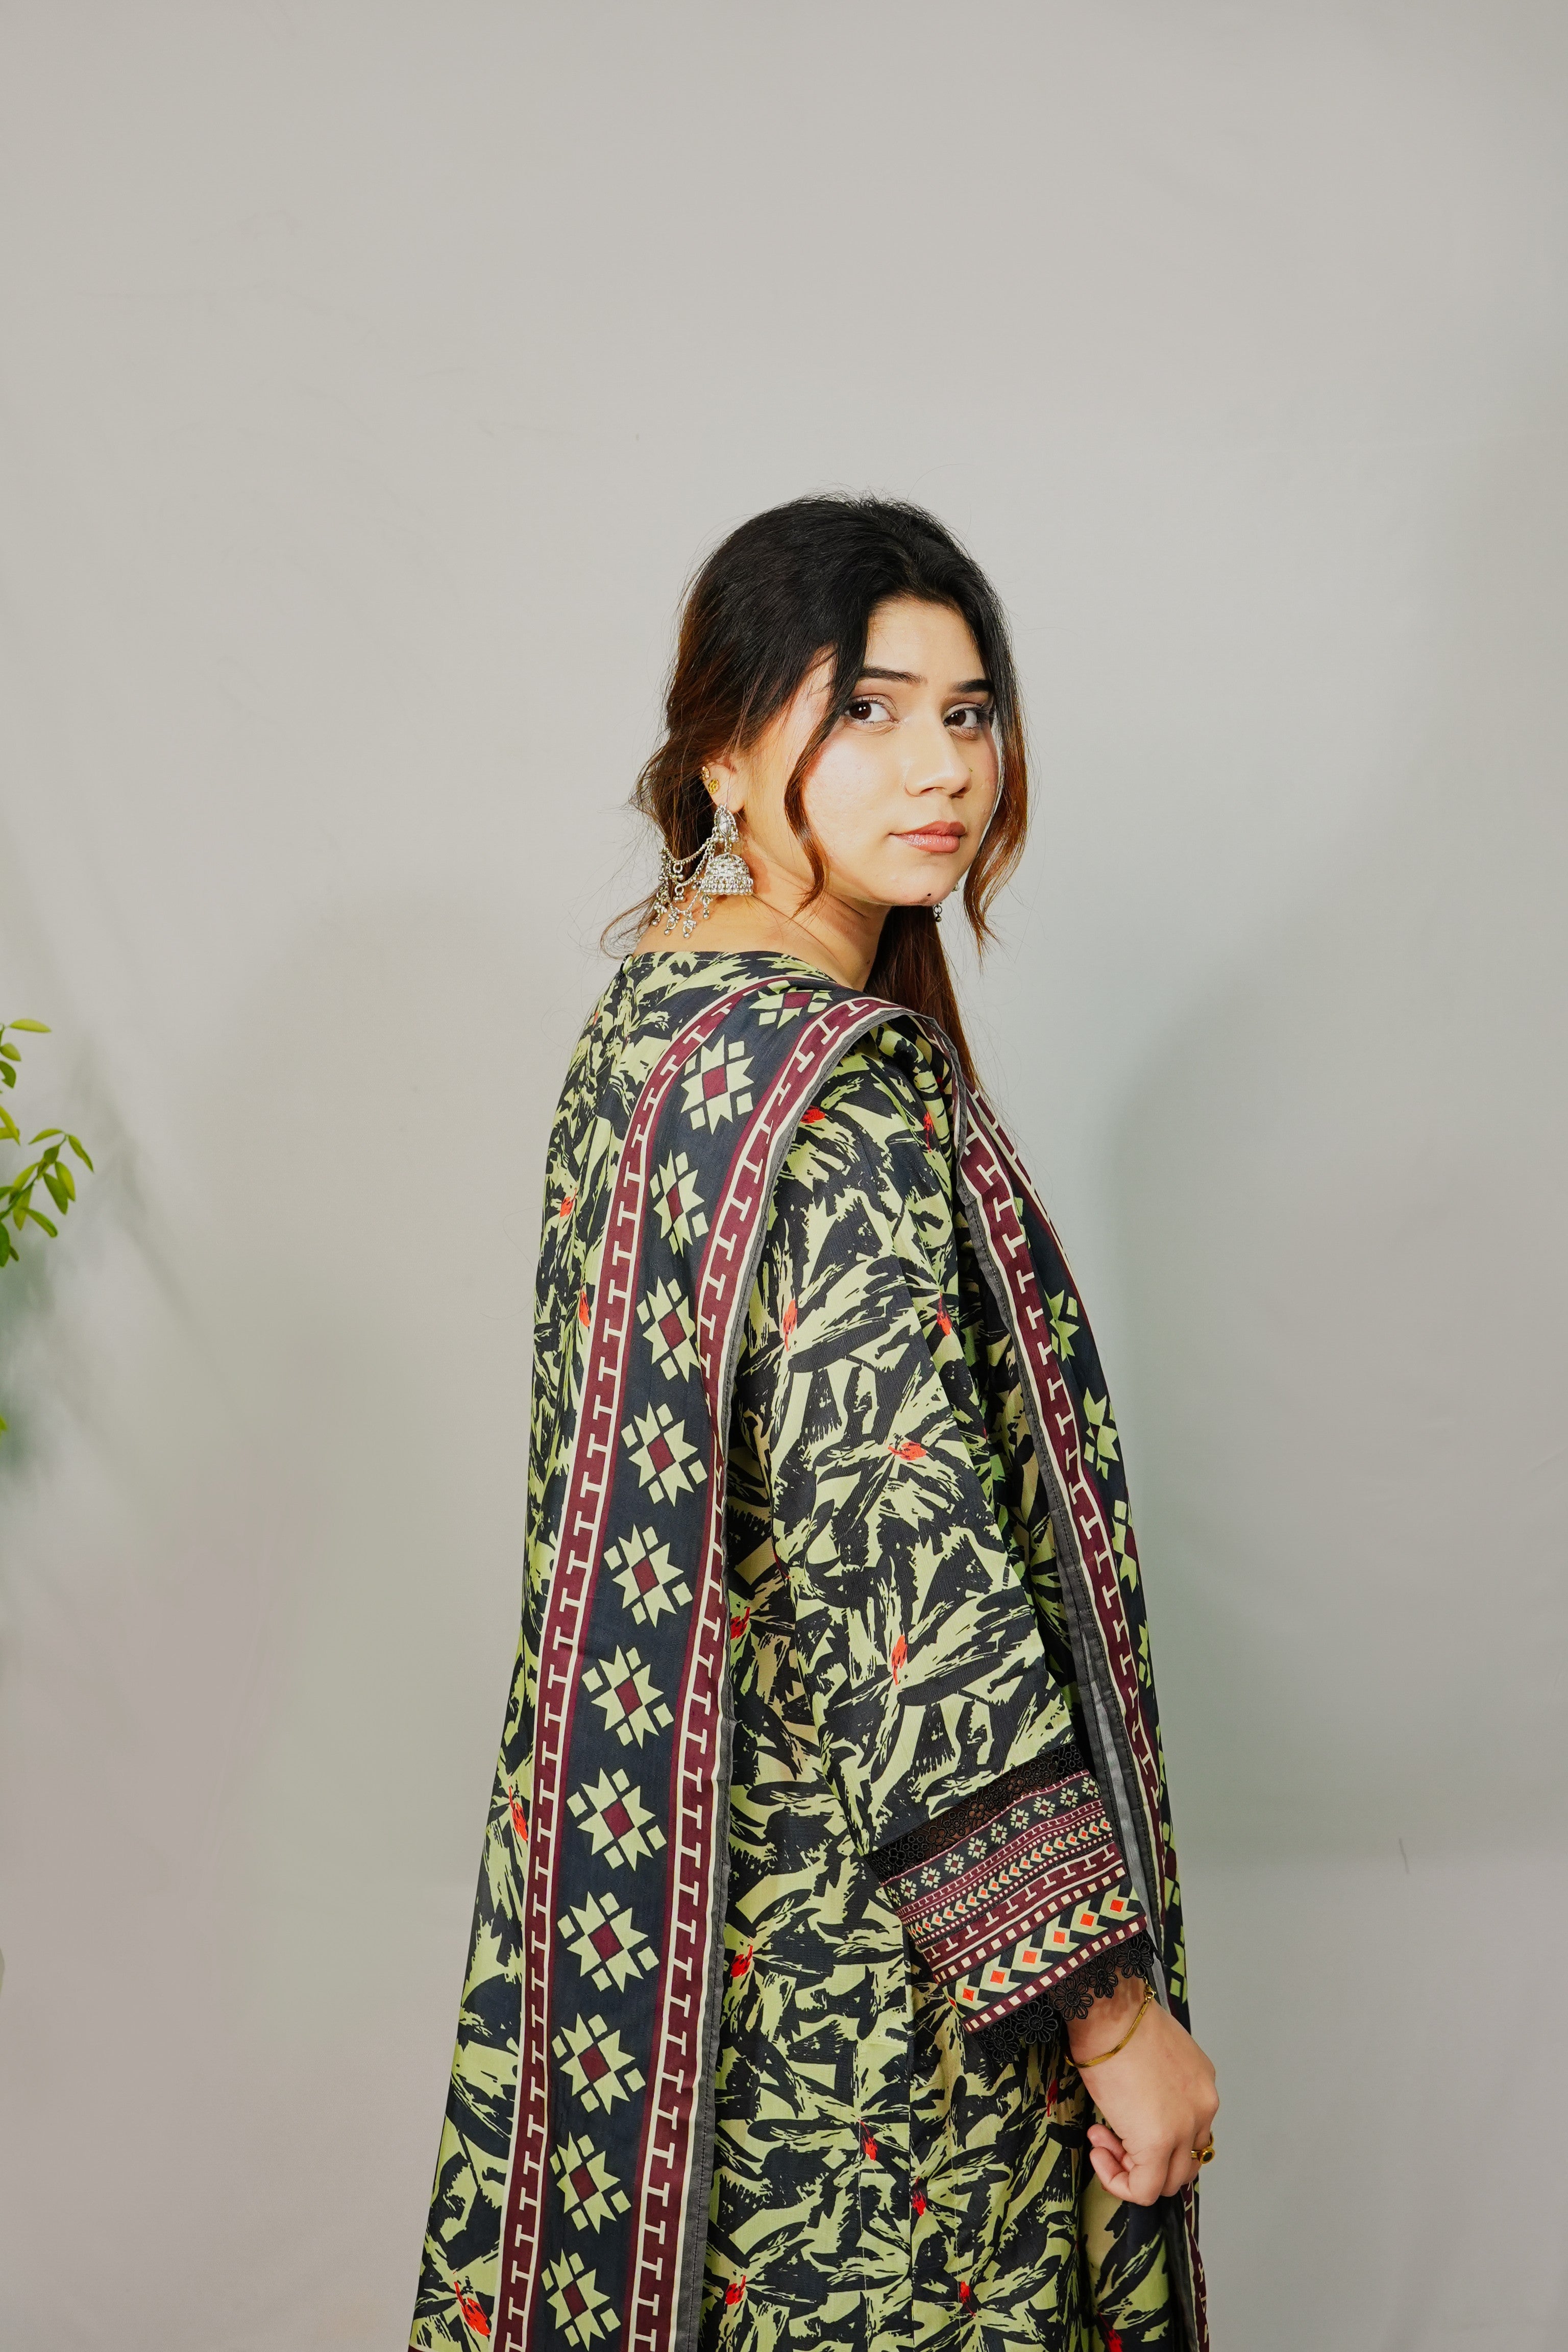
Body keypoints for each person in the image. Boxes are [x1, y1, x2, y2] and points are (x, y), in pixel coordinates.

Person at [411, 496, 1218, 2352]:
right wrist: (1108, 2016)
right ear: (723, 749)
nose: (939, 768)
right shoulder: (831, 1098)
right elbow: (905, 1584)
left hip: (661, 1948)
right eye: (867, 710)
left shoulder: (653, 1038)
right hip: (877, 2001)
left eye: (968, 711)